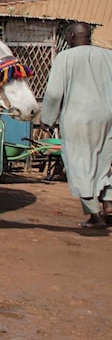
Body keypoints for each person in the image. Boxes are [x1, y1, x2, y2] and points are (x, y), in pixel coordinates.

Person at [40, 22, 112, 229]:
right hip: (107, 117)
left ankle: (94, 215)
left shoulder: (65, 58)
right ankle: (109, 206)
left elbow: (54, 93)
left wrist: (47, 119)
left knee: (81, 164)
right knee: (105, 161)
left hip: (78, 120)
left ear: (71, 36)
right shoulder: (108, 56)